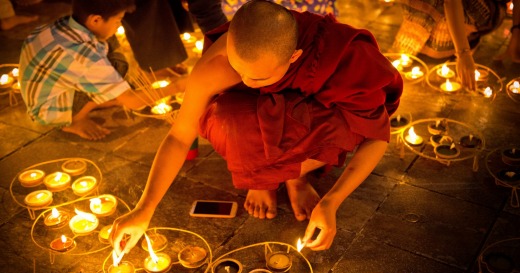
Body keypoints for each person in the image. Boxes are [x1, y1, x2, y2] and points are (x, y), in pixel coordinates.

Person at [110, 0, 402, 253]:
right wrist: (144, 208)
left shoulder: (343, 58)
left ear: (294, 57)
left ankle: (294, 177)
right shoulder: (218, 66)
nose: (247, 82)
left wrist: (332, 202)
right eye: (239, 70)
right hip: (253, 115)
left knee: (348, 126)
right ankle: (262, 179)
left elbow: (376, 135)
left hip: (315, 116)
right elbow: (178, 137)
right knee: (223, 118)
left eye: (258, 79)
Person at [19, 0, 181, 140]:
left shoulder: (66, 24)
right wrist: (178, 86)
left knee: (113, 55)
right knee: (115, 67)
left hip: (46, 90)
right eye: (118, 21)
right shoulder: (82, 54)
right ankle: (75, 120)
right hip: (47, 109)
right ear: (95, 20)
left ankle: (101, 98)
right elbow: (132, 102)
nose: (119, 26)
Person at [391, 0, 518, 91]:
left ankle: (462, 37)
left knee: (438, 41)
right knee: (434, 48)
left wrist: (516, 35)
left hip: (484, 6)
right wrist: (463, 53)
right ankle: (456, 37)